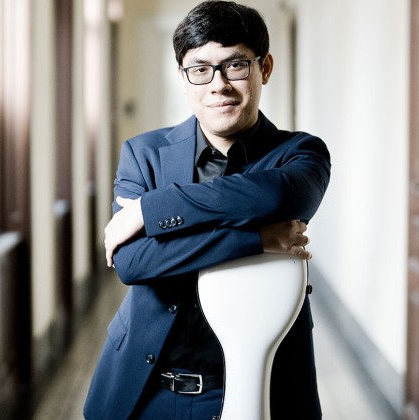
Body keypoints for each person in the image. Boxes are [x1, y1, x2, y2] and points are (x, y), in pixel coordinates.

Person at [83, 1, 330, 419]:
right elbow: (133, 261)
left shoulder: (300, 154)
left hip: (263, 390)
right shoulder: (144, 154)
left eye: (235, 65)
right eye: (200, 69)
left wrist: (152, 209)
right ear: (183, 78)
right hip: (146, 389)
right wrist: (254, 238)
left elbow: (275, 197)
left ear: (264, 68)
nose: (218, 85)